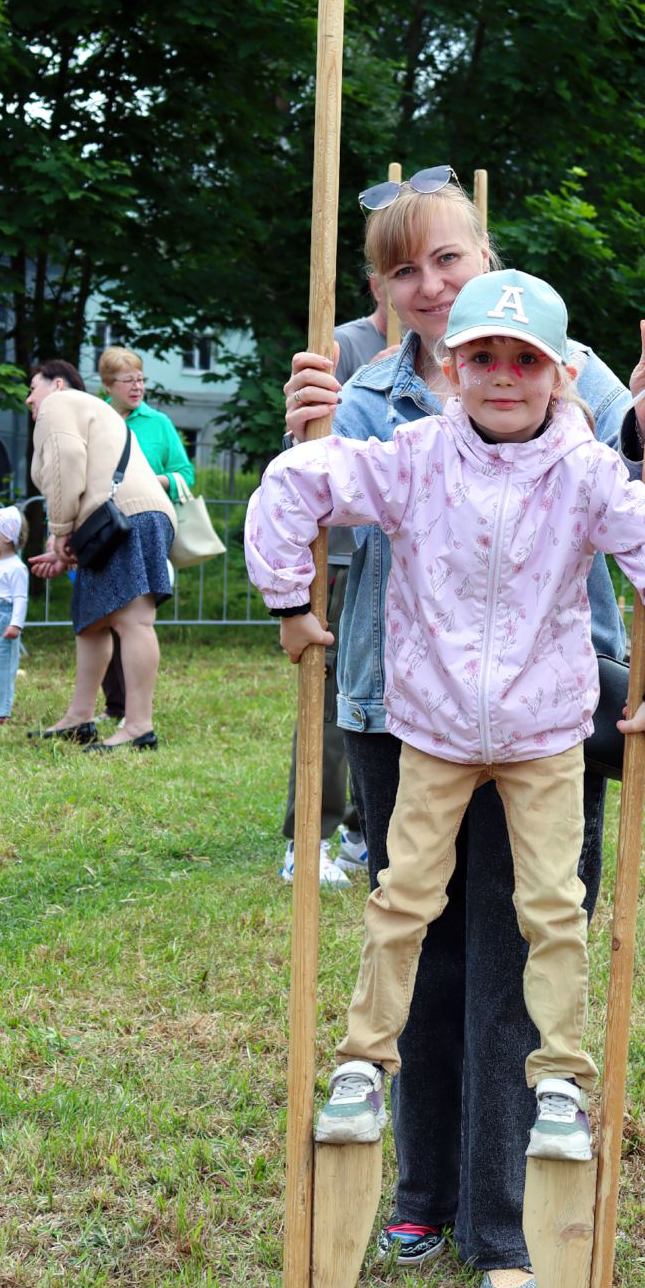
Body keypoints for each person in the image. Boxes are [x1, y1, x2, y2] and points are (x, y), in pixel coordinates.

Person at [281, 167, 645, 1288]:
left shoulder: (573, 372)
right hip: (394, 701)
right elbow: (319, 511)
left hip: (542, 709)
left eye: (447, 258)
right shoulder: (359, 390)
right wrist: (305, 464)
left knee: (527, 939)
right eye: (400, 267)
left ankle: (504, 1218)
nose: (426, 284)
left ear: (484, 255)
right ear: (378, 289)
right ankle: (414, 1190)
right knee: (420, 939)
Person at [278, 287, 387, 888]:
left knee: (390, 704)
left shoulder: (462, 343)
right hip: (345, 556)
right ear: (378, 283)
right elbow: (301, 457)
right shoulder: (345, 343)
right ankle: (307, 835)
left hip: (417, 559)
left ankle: (360, 827)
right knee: (332, 699)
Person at [25, 374, 176, 750]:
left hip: (128, 517)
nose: (29, 399)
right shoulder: (89, 409)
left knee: (133, 621)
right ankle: (79, 719)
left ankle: (139, 726)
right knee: (93, 622)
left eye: (33, 388)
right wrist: (63, 546)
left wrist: (59, 532)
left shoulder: (57, 404)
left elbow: (67, 462)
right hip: (126, 517)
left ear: (56, 384)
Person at [97, 347, 195, 722]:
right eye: (128, 380)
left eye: (141, 378)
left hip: (147, 531)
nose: (137, 386)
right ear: (109, 385)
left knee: (133, 620)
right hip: (104, 529)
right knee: (103, 617)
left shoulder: (158, 423)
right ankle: (115, 705)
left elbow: (185, 475)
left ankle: (133, 710)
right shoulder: (97, 419)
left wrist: (156, 481)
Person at [0, 506, 29, 726]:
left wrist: (16, 624)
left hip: (3, 621)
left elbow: (20, 598)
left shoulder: (15, 568)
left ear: (7, 536)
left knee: (1, 665)